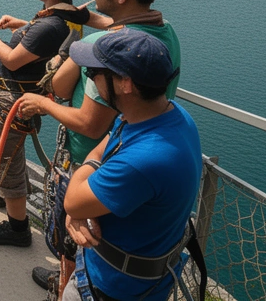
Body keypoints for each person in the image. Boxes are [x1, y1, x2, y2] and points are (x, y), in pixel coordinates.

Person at [14, 0, 181, 294]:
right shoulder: (165, 35)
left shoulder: (106, 49)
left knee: (76, 240)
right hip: (129, 152)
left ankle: (67, 285)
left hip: (90, 162)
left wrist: (42, 104)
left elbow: (82, 114)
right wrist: (87, 20)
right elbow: (124, 28)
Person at [60, 28, 200, 301]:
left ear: (125, 84)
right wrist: (80, 206)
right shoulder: (168, 115)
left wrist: (78, 208)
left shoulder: (146, 159)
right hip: (139, 282)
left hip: (109, 288)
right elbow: (111, 139)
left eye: (93, 73)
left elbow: (72, 201)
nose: (90, 77)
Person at [0, 0, 90, 248]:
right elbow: (46, 37)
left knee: (6, 159)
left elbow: (10, 58)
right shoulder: (60, 17)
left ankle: (17, 227)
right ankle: (1, 191)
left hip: (15, 99)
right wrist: (23, 25)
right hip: (6, 94)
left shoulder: (49, 25)